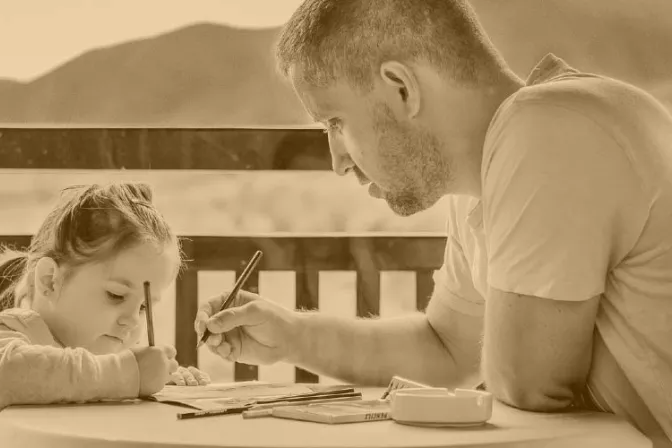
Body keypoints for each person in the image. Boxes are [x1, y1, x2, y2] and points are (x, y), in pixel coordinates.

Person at [195, 0, 672, 445]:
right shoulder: (486, 178)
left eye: (335, 122)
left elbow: (529, 389)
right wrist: (292, 336)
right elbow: (446, 349)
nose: (337, 160)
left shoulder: (547, 129)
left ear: (401, 88)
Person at [0, 181, 210, 411]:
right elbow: (9, 373)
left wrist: (154, 381)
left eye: (143, 308)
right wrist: (128, 373)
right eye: (115, 295)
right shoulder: (14, 332)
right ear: (49, 280)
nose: (132, 320)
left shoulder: (106, 358)